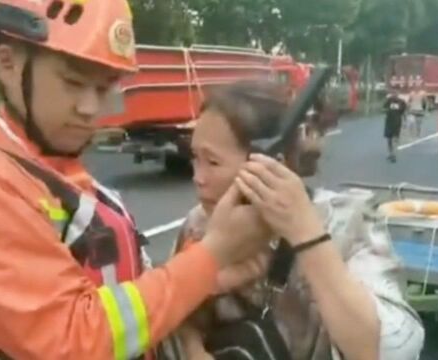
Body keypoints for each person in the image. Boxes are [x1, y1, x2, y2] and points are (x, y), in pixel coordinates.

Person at [0, 1, 273, 359]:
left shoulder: (47, 165)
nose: (90, 108)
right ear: (8, 65)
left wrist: (210, 279)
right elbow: (74, 340)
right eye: (73, 83)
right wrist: (212, 255)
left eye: (105, 87)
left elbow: (115, 299)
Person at [171, 81, 424, 360]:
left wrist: (305, 232)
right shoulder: (199, 224)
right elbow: (172, 318)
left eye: (213, 162)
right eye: (195, 158)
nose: (198, 177)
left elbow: (392, 349)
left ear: (270, 163)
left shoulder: (346, 224)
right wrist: (193, 349)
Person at [383, 90, 407, 163]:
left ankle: (394, 154)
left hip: (397, 122)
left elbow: (403, 112)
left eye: (396, 94)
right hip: (389, 122)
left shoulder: (401, 102)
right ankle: (391, 153)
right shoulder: (389, 101)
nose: (394, 95)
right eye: (393, 94)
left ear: (398, 95)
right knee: (389, 139)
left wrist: (405, 121)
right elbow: (383, 108)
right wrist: (386, 111)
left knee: (395, 138)